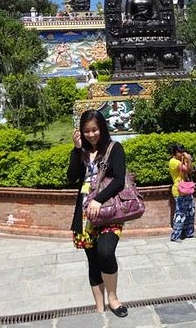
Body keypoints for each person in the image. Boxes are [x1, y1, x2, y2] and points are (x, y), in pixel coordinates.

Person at [67, 110, 129, 318]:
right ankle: (99, 306)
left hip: (108, 210)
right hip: (84, 214)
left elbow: (119, 180)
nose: (91, 134)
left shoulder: (114, 149)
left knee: (105, 252)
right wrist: (77, 150)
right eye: (86, 131)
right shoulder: (81, 152)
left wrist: (98, 199)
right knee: (93, 260)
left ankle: (113, 298)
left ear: (102, 128)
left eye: (94, 130)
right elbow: (72, 177)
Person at [169, 143, 195, 242]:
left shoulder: (180, 161)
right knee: (180, 213)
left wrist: (187, 160)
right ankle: (175, 235)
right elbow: (188, 170)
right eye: (180, 152)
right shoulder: (174, 162)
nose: (182, 154)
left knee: (190, 211)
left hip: (186, 189)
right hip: (179, 190)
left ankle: (189, 233)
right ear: (175, 153)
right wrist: (188, 159)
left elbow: (190, 170)